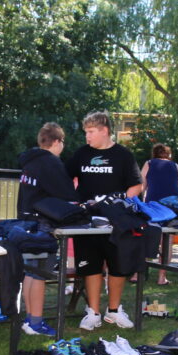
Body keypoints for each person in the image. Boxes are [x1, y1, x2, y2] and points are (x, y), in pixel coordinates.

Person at [66, 111, 143, 330]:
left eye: (90, 132)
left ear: (104, 131)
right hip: (87, 223)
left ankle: (114, 311)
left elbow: (137, 185)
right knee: (91, 267)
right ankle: (93, 312)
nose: (87, 137)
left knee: (118, 267)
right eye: (86, 132)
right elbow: (63, 178)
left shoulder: (124, 155)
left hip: (116, 223)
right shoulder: (81, 154)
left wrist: (120, 200)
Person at [16, 122, 77, 336]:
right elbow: (68, 194)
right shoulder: (51, 163)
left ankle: (30, 319)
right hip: (44, 224)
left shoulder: (29, 162)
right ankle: (36, 322)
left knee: (30, 273)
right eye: (63, 143)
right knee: (40, 273)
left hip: (25, 223)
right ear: (57, 141)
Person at [140, 143, 178, 285]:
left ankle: (138, 274)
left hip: (153, 205)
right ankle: (162, 276)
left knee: (147, 236)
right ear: (168, 154)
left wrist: (140, 202)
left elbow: (142, 185)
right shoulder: (175, 166)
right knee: (168, 241)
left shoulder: (149, 163)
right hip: (171, 206)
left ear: (154, 154)